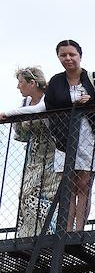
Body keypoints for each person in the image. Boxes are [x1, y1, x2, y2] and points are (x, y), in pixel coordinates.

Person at [43, 40, 95, 232]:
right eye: (63, 55)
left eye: (72, 54)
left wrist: (91, 102)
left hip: (90, 135)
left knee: (84, 184)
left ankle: (78, 229)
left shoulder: (93, 78)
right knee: (69, 186)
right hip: (65, 137)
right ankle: (66, 229)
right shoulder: (56, 81)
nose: (68, 58)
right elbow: (50, 110)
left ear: (80, 56)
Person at [0, 66, 60, 237]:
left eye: (20, 82)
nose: (18, 87)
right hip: (33, 155)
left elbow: (37, 111)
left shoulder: (48, 98)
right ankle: (27, 234)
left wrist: (8, 114)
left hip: (52, 154)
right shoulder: (26, 103)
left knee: (47, 194)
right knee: (26, 193)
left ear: (32, 83)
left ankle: (48, 232)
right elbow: (21, 133)